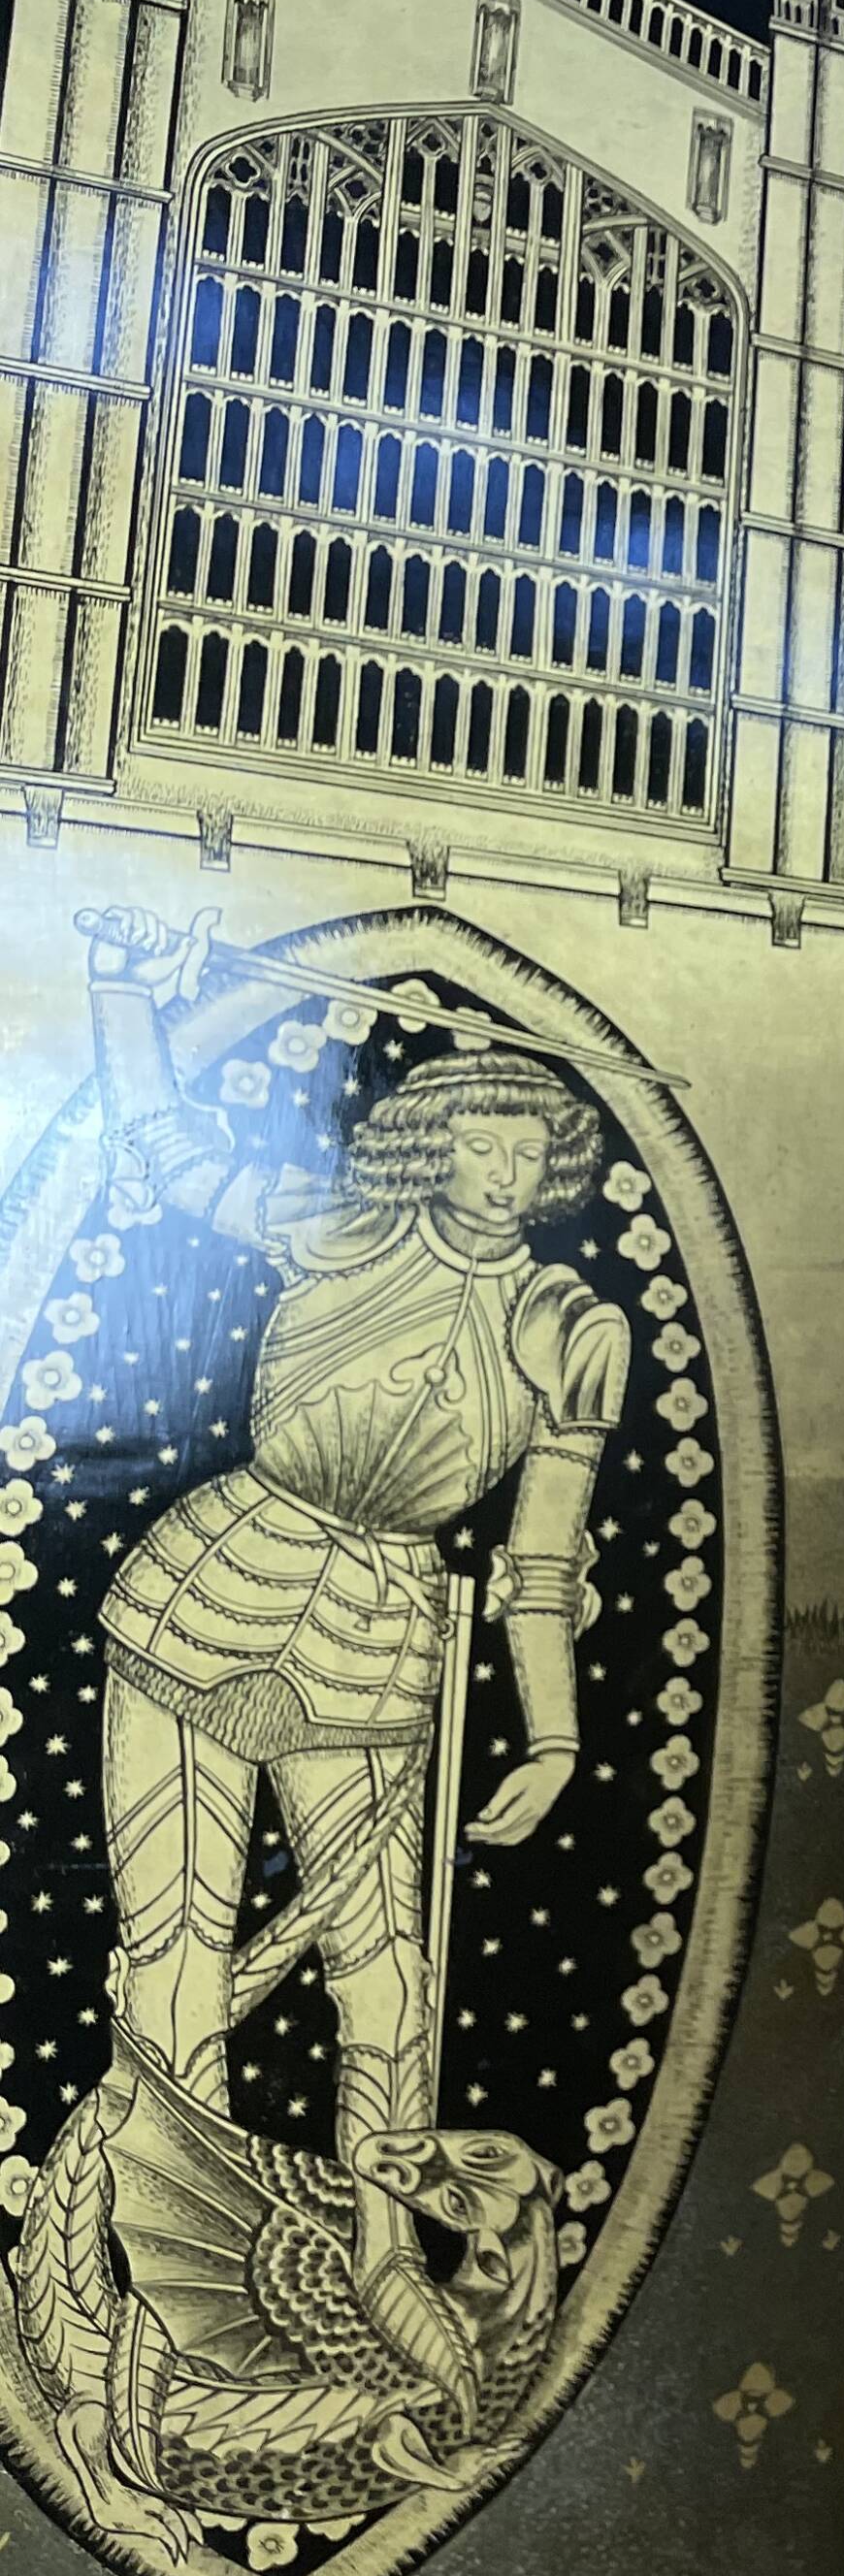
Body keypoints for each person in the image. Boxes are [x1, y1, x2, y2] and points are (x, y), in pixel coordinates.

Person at [72, 905, 629, 2430]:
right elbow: (170, 1153)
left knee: (387, 1970)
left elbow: (541, 1568)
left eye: (532, 1149)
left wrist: (559, 1738)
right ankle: (155, 2299)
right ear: (435, 1143)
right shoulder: (338, 1228)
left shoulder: (573, 1329)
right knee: (176, 1939)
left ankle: (384, 2259)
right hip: (213, 1579)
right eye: (483, 1140)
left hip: (386, 1627)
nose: (507, 1170)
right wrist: (124, 983)